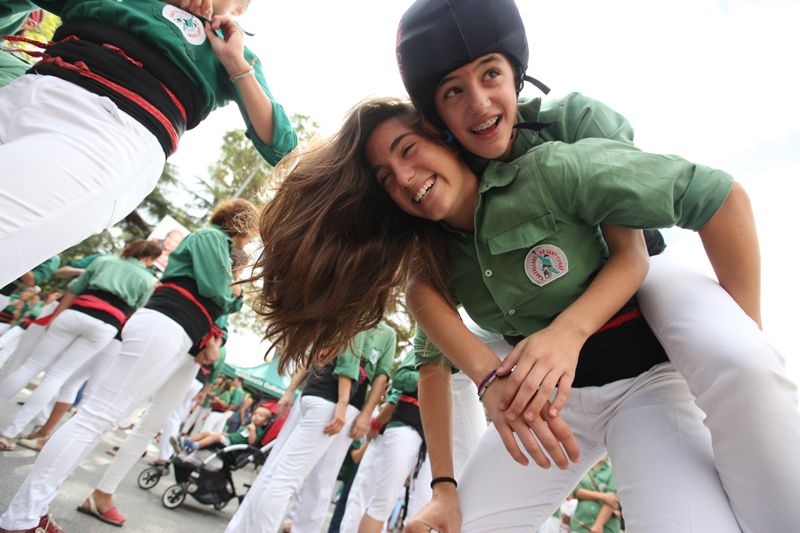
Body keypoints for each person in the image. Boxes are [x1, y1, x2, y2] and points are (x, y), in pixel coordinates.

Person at [251, 95, 773, 530]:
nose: (405, 179)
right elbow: (431, 359)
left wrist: (569, 333)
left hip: (647, 387)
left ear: (445, 138)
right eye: (386, 177)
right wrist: (445, 486)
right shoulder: (433, 260)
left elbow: (649, 241)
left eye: (409, 150)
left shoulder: (547, 170)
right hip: (547, 409)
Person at [394, 1, 800, 532]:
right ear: (436, 118)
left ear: (516, 72)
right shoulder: (439, 194)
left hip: (642, 294)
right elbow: (428, 327)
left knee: (742, 361)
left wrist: (739, 335)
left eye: (491, 74)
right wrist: (445, 483)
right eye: (453, 91)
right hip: (550, 386)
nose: (479, 103)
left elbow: (633, 252)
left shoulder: (571, 126)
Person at [0, 0, 297, 286]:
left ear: (239, 10)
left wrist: (236, 64)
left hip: (108, 135)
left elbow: (282, 146)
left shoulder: (231, 46)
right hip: (24, 87)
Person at [0, 199, 254, 533]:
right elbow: (217, 291)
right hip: (166, 325)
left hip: (173, 330)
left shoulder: (216, 245)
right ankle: (22, 516)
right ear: (241, 225)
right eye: (250, 232)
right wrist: (233, 292)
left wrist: (229, 296)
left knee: (100, 419)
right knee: (95, 418)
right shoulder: (211, 237)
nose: (249, 240)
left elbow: (221, 299)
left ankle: (34, 509)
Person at [224, 323, 393, 533]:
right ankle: (243, 527)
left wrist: (366, 413)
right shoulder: (351, 315)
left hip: (344, 404)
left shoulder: (386, 334)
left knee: (316, 479)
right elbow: (323, 357)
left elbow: (380, 376)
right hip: (327, 397)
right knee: (281, 472)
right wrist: (291, 390)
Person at [0, 239, 162, 451]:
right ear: (149, 258)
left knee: (31, 365)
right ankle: (8, 434)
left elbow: (74, 289)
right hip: (106, 325)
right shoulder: (148, 280)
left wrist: (56, 317)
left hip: (76, 312)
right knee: (58, 376)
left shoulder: (105, 261)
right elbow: (135, 310)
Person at [339, 349, 428, 533]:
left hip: (403, 436)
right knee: (371, 499)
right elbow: (395, 397)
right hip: (393, 431)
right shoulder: (424, 351)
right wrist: (375, 425)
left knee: (371, 498)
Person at [180, 405, 271, 452]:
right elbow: (236, 435)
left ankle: (196, 445)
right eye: (255, 414)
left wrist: (253, 430)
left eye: (260, 416)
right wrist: (225, 434)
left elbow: (252, 442)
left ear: (265, 422)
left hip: (232, 445)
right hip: (229, 438)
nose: (256, 416)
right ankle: (187, 441)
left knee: (216, 437)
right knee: (207, 433)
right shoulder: (246, 427)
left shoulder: (258, 430)